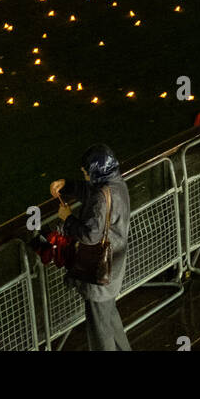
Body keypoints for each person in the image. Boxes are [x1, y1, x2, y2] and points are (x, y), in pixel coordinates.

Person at [48, 143, 131, 351]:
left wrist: (67, 219)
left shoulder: (102, 197)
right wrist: (66, 185)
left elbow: (90, 235)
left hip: (100, 272)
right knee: (109, 317)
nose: (85, 175)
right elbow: (91, 192)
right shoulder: (116, 184)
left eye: (86, 172)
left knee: (100, 330)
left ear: (96, 172)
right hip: (113, 267)